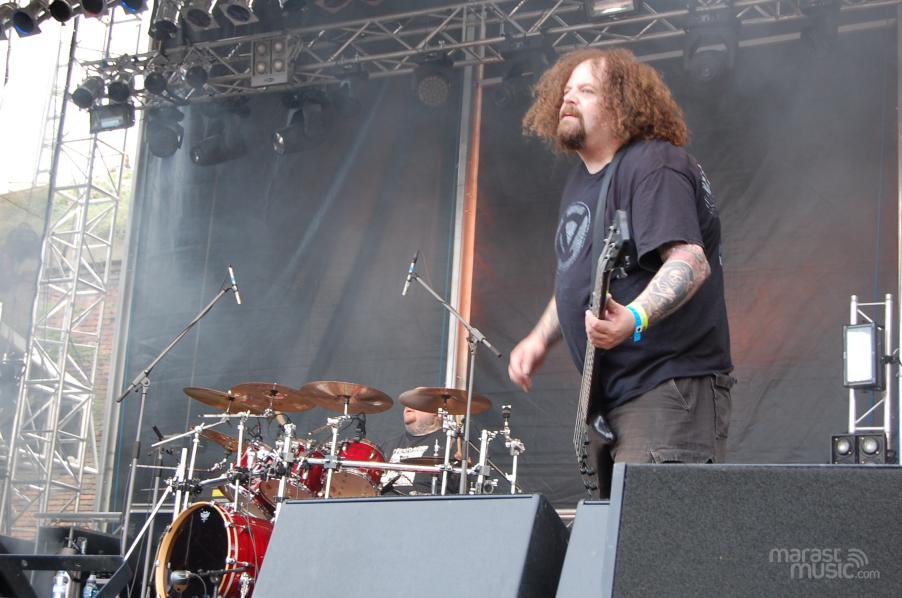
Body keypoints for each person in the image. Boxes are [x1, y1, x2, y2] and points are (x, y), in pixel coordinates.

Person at [507, 48, 733, 498]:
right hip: (613, 399)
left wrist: (634, 318)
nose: (569, 98)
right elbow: (578, 282)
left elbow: (690, 260)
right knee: (619, 537)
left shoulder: (655, 164)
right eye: (566, 91)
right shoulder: (582, 182)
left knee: (655, 533)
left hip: (666, 386)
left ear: (622, 104)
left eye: (586, 90)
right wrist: (539, 339)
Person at [380, 406, 450, 495]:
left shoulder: (450, 443)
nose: (409, 405)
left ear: (436, 412)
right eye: (407, 402)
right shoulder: (388, 445)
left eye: (416, 402)